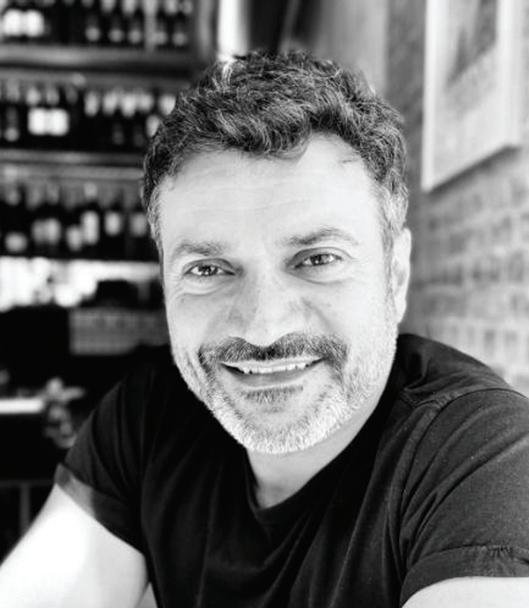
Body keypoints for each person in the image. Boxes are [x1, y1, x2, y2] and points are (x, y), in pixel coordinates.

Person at [1, 51, 529, 608]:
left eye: (317, 259)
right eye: (209, 270)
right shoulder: (149, 418)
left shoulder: (485, 456)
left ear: (395, 275)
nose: (262, 326)